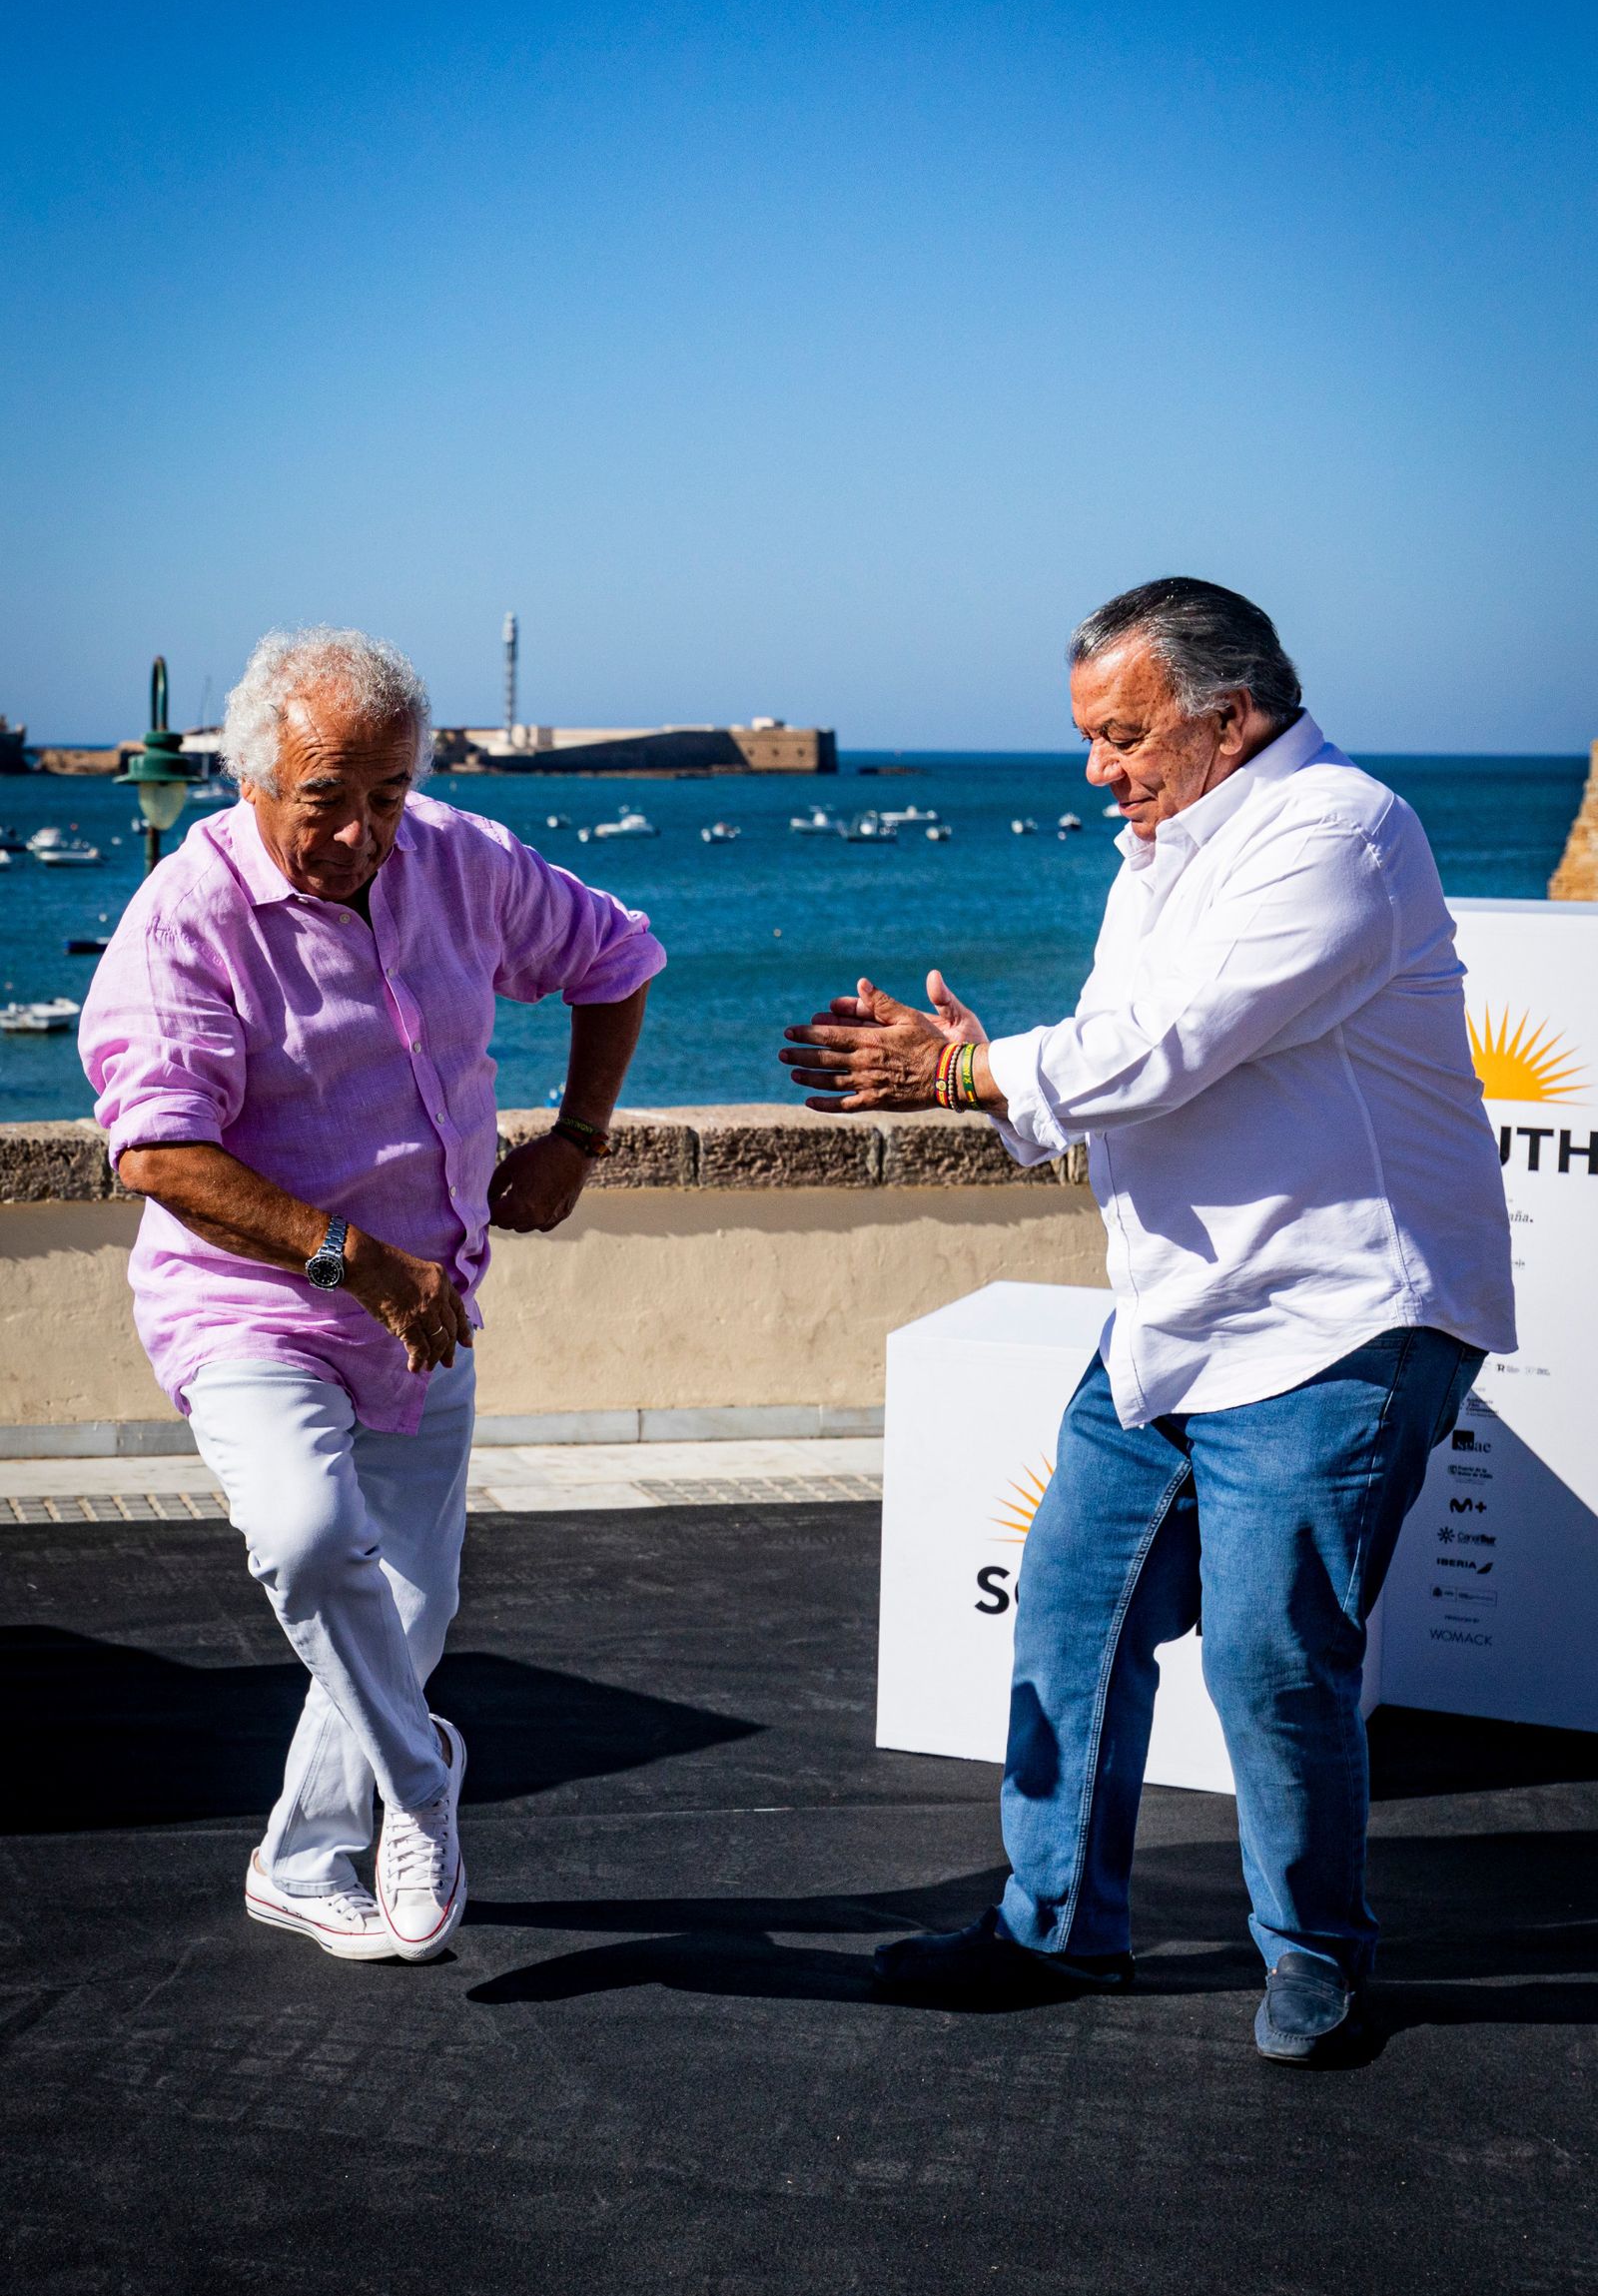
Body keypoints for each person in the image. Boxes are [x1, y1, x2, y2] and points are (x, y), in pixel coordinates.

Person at [779, 577, 1515, 2063]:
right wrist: (986, 1070)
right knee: (1070, 1606)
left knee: (1266, 1650)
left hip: (1338, 1322)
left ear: (1231, 715)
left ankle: (1318, 1958)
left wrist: (969, 1077)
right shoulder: (1158, 858)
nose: (1100, 769)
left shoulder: (1345, 834)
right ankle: (1056, 1930)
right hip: (1176, 1318)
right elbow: (1130, 1073)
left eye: (1124, 734)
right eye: (1091, 738)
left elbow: (1174, 1043)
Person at [80, 627, 663, 1964]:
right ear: (252, 781)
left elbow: (618, 957)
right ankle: (419, 1783)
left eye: (386, 792)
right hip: (253, 1309)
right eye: (325, 797)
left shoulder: (459, 856)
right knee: (304, 1535)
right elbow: (160, 1149)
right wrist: (358, 1261)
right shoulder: (186, 914)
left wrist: (578, 1135)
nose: (360, 830)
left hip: (429, 1312)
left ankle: (296, 1856)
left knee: (412, 1606)